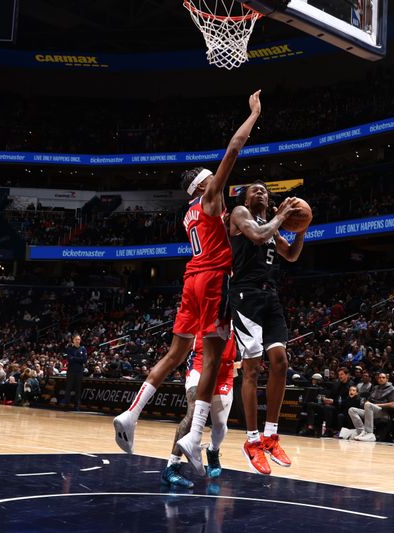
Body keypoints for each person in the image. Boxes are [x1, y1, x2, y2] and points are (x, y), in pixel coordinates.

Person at [113, 91, 262, 470]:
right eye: (212, 179)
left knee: (175, 354)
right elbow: (233, 148)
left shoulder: (189, 214)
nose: (219, 181)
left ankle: (131, 414)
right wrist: (253, 115)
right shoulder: (211, 197)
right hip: (213, 279)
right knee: (211, 357)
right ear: (201, 185)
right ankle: (195, 437)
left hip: (190, 280)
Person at [227, 180, 304, 474]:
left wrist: (301, 230)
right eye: (255, 190)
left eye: (264, 190)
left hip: (270, 294)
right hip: (245, 295)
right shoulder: (239, 215)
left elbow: (292, 255)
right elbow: (258, 236)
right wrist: (283, 218)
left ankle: (271, 436)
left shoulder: (270, 222)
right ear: (246, 199)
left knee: (281, 362)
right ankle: (252, 440)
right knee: (252, 369)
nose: (261, 192)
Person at [161, 334, 236, 488]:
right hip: (200, 363)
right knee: (194, 409)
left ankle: (213, 451)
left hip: (224, 370)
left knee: (220, 423)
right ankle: (172, 466)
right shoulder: (203, 310)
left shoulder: (238, 313)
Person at [62, 334, 87, 410]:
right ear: (73, 340)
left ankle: (77, 406)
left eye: (79, 339)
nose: (77, 341)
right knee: (68, 388)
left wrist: (74, 358)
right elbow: (69, 359)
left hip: (79, 371)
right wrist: (79, 359)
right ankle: (67, 406)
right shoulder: (70, 349)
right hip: (71, 371)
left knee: (78, 389)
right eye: (76, 339)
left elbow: (84, 360)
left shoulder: (83, 349)